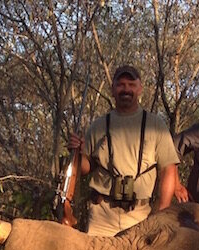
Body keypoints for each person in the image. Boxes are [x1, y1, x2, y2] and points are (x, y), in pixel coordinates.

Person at [68, 65, 180, 236]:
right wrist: (76, 153)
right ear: (113, 90)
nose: (126, 89)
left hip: (141, 215)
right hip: (102, 215)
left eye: (131, 84)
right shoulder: (98, 125)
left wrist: (163, 212)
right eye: (120, 85)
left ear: (140, 89)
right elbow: (85, 167)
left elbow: (168, 169)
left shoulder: (156, 125)